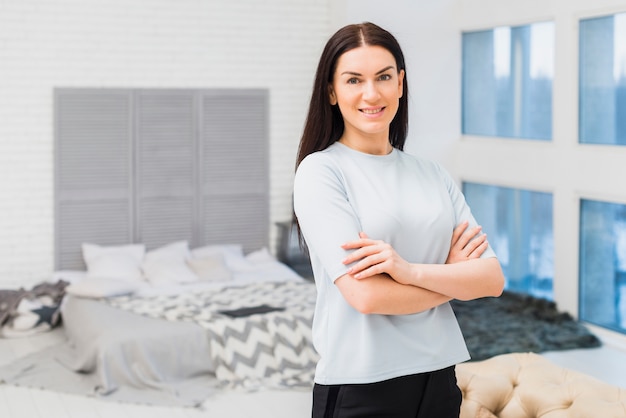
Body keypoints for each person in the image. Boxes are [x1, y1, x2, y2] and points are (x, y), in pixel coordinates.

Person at [293, 22, 505, 418]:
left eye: (384, 77)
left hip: (439, 379)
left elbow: (491, 280)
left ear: (401, 83)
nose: (371, 93)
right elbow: (368, 297)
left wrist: (408, 272)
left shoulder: (433, 174)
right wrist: (452, 278)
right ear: (332, 91)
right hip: (361, 386)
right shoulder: (321, 172)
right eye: (354, 79)